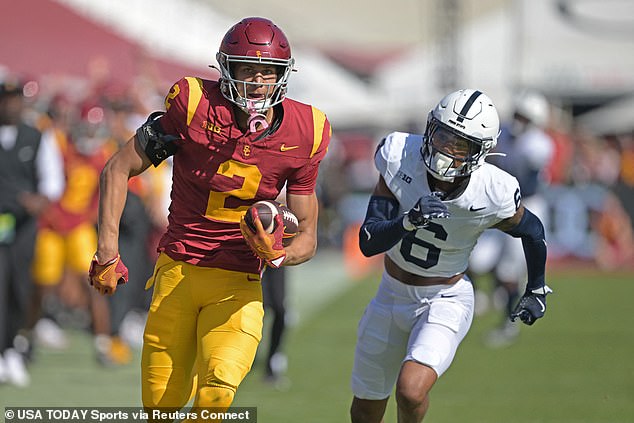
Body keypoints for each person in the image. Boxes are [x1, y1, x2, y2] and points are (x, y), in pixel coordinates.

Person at [88, 16, 331, 418]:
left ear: (281, 77)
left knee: (217, 391)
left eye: (266, 73)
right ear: (225, 70)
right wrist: (107, 252)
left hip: (238, 282)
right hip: (178, 273)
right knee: (161, 407)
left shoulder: (308, 131)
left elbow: (307, 235)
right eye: (246, 70)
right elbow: (118, 168)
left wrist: (279, 255)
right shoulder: (194, 105)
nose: (256, 82)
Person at [350, 89, 552, 423]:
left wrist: (536, 288)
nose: (447, 150)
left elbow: (532, 230)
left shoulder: (493, 190)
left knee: (411, 390)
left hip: (444, 297)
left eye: (461, 145)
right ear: (430, 129)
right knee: (365, 408)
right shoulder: (400, 155)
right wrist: (409, 220)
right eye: (444, 136)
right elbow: (369, 241)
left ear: (481, 152)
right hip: (389, 293)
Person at [467, 90, 554, 347]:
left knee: (509, 270)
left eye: (524, 117)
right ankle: (483, 297)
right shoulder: (504, 133)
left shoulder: (539, 144)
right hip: (500, 205)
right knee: (475, 258)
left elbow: (526, 181)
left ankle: (509, 324)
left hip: (527, 206)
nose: (518, 120)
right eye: (517, 114)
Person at [0, 76, 64, 386]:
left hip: (23, 227)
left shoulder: (37, 136)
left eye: (14, 99)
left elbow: (52, 181)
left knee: (18, 286)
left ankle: (13, 346)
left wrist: (38, 200)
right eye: (5, 99)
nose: (9, 105)